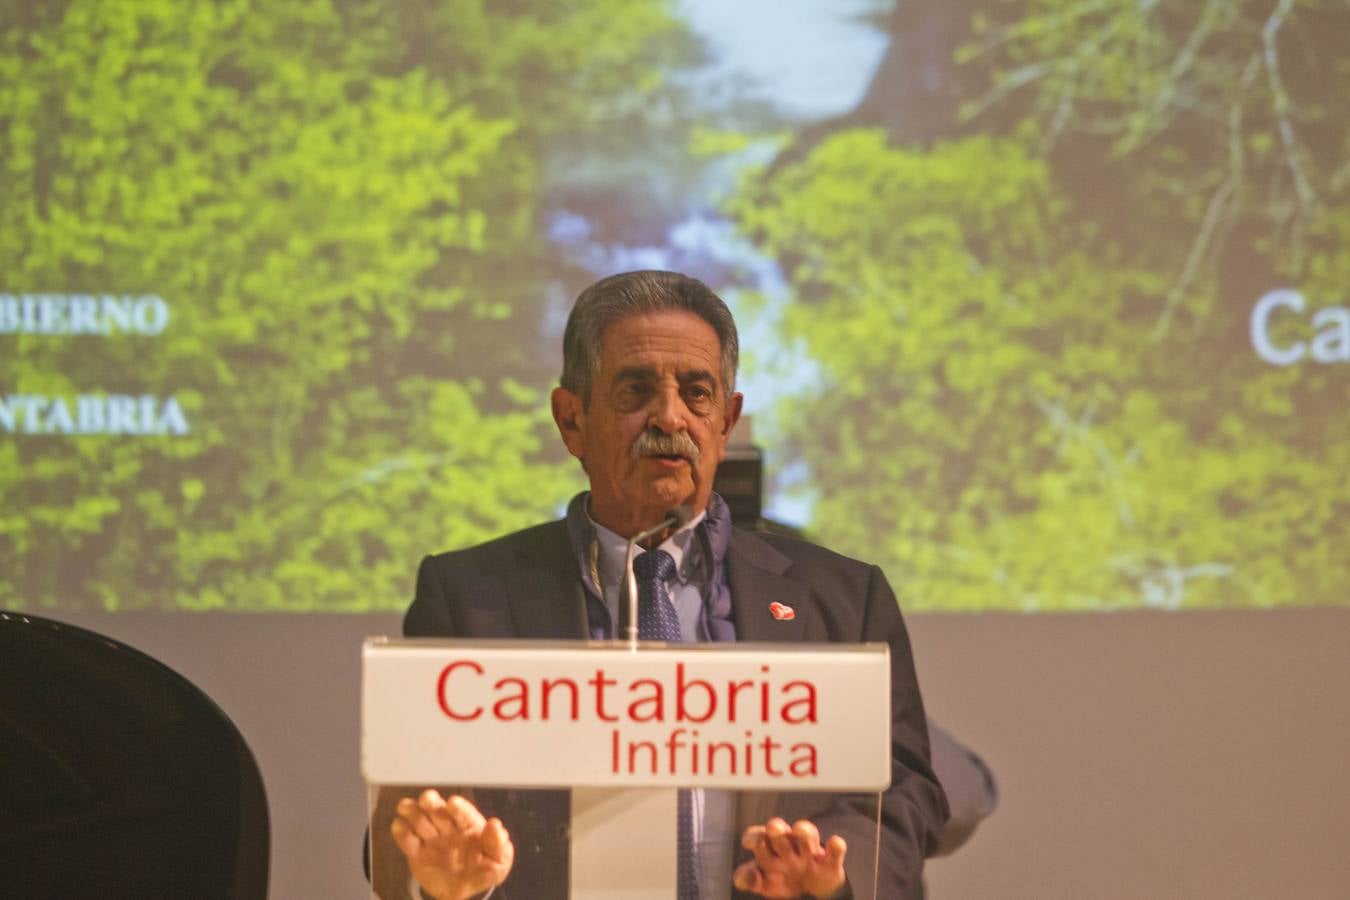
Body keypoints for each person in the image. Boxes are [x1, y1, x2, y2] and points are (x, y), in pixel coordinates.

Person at [380, 271, 949, 899]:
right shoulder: (468, 598)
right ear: (572, 420)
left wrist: (831, 873)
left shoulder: (845, 598)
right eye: (635, 390)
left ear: (726, 422)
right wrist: (443, 876)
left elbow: (906, 792)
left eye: (697, 393)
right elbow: (409, 815)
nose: (670, 416)